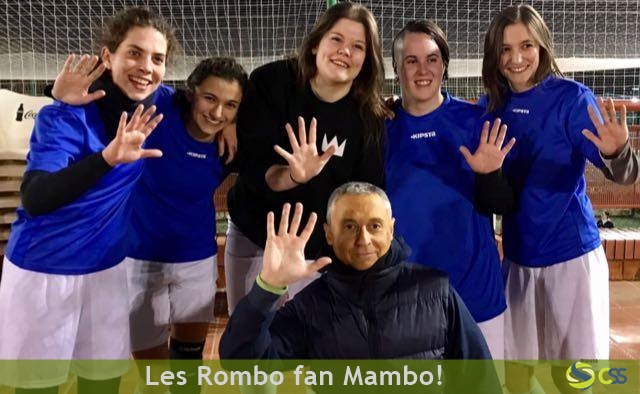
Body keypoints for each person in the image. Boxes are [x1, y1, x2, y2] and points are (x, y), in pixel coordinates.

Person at [0, 7, 178, 394]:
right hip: (44, 270)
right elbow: (36, 197)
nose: (146, 66)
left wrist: (226, 121)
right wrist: (107, 157)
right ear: (108, 57)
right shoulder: (66, 116)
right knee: (40, 389)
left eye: (157, 58)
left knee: (102, 385)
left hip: (107, 271)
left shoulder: (156, 103)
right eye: (134, 53)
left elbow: (204, 100)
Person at [480, 4, 639, 394]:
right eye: (505, 49)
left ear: (542, 47)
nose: (516, 58)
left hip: (572, 257)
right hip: (518, 260)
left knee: (579, 379)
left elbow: (623, 173)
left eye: (526, 45)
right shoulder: (492, 107)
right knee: (519, 378)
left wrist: (620, 154)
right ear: (494, 56)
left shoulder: (572, 99)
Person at [220, 182, 498, 393]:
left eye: (374, 226)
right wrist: (267, 287)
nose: (363, 239)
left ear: (391, 229)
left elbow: (480, 381)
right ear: (329, 233)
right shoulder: (310, 306)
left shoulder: (436, 291)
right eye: (350, 226)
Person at [225, 2, 389, 314]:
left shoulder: (369, 118)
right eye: (336, 39)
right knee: (249, 343)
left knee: (306, 349)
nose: (345, 51)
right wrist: (294, 175)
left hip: (316, 251)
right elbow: (254, 167)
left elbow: (365, 193)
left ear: (367, 60)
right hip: (256, 233)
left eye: (358, 46)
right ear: (316, 43)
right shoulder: (272, 82)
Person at [385, 20, 515, 360]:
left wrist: (489, 175)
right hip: (407, 298)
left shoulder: (476, 121)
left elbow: (501, 203)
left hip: (475, 292)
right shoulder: (380, 128)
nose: (422, 69)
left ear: (444, 65)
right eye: (410, 60)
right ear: (396, 68)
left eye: (431, 59)